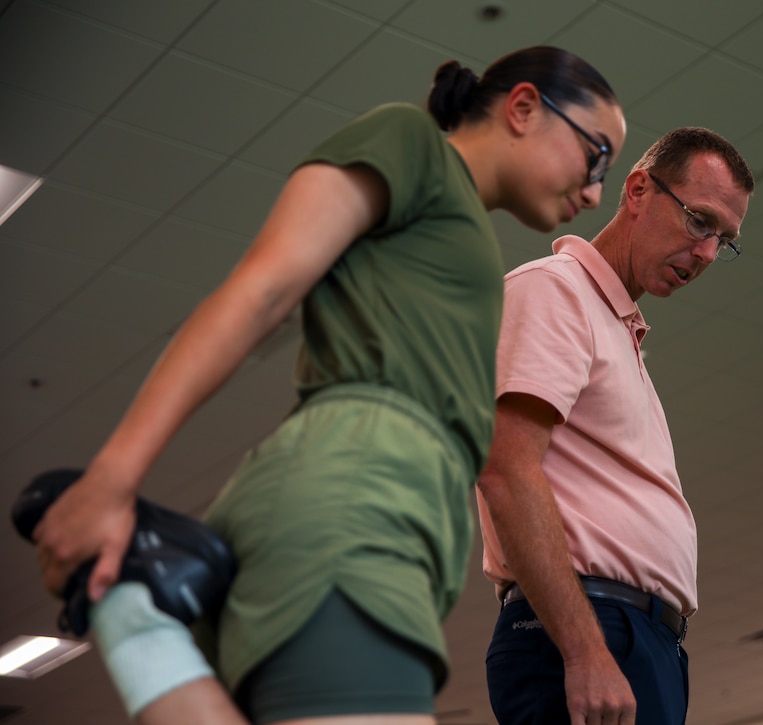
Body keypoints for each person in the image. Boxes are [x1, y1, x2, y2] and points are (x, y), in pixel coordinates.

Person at [29, 45, 626, 725]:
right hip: (357, 484)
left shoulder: (467, 234)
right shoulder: (412, 143)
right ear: (523, 108)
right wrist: (112, 479)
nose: (593, 192)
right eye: (596, 155)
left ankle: (136, 614)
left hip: (378, 499)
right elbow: (263, 289)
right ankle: (133, 606)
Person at [476, 127, 755, 725]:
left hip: (638, 637)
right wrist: (584, 651)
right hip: (588, 628)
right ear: (637, 191)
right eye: (699, 221)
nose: (707, 252)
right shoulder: (556, 291)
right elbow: (504, 468)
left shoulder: (615, 325)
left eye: (724, 240)